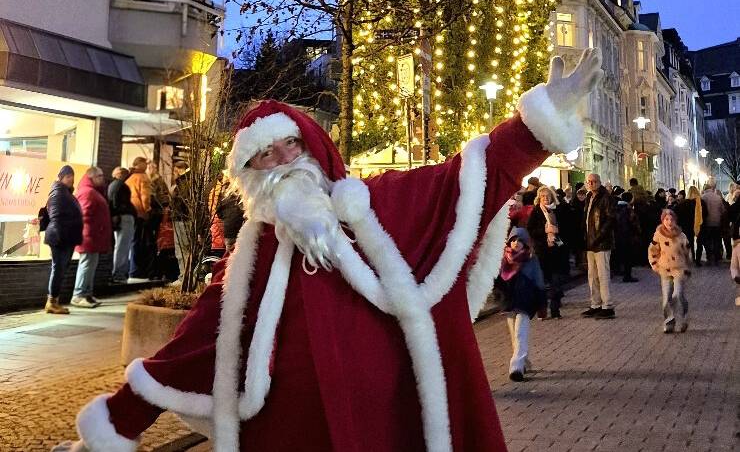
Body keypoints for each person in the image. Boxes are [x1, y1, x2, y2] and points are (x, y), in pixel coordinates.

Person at [61, 48, 603, 452]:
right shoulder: (248, 262)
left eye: (290, 145)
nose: (283, 162)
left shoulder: (380, 206)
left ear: (313, 147)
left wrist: (535, 128)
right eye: (265, 157)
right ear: (248, 178)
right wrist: (109, 429)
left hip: (392, 430)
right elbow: (186, 350)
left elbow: (461, 181)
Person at [492, 227, 546, 381]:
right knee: (514, 337)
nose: (516, 243)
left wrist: (542, 305)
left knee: (520, 333)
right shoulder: (503, 259)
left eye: (520, 240)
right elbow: (496, 282)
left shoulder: (531, 260)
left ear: (526, 243)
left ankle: (516, 367)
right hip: (509, 303)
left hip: (525, 302)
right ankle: (523, 362)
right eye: (513, 240)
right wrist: (499, 297)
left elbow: (539, 283)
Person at [43, 165, 83, 315]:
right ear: (60, 177)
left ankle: (54, 301)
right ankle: (52, 302)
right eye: (68, 176)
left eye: (72, 176)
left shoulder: (64, 192)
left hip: (65, 237)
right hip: (61, 238)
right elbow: (56, 216)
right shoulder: (58, 193)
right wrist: (62, 236)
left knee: (60, 269)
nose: (71, 179)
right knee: (58, 269)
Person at [71, 167, 112, 308]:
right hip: (88, 236)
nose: (102, 178)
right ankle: (78, 295)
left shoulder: (92, 191)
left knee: (90, 265)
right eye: (100, 176)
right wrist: (93, 230)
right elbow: (83, 215)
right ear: (92, 177)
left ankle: (86, 294)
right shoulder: (88, 192)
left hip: (93, 235)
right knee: (87, 265)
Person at [648, 207, 692, 333]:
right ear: (663, 220)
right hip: (665, 269)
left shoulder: (681, 236)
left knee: (678, 294)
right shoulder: (658, 235)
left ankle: (684, 317)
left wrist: (689, 266)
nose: (669, 222)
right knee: (666, 297)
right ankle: (669, 321)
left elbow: (687, 252)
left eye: (671, 219)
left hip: (679, 268)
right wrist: (654, 264)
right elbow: (652, 250)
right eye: (666, 219)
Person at [527, 186, 565, 317]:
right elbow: (530, 230)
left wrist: (558, 231)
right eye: (543, 196)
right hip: (542, 250)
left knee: (556, 282)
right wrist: (544, 231)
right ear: (539, 198)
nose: (546, 198)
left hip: (556, 250)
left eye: (548, 196)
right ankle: (541, 310)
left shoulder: (558, 210)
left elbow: (566, 227)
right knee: (541, 283)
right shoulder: (536, 212)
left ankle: (555, 309)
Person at [582, 171, 615, 318]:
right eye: (589, 182)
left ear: (599, 182)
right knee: (592, 275)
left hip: (602, 243)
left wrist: (599, 236)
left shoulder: (605, 198)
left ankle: (607, 306)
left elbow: (610, 220)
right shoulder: (589, 197)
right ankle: (595, 304)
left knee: (603, 275)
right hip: (590, 242)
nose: (591, 184)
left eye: (594, 181)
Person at [126, 158, 153, 280]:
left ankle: (130, 269)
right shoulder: (143, 177)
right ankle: (136, 270)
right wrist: (147, 210)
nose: (147, 166)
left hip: (131, 212)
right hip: (140, 213)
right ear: (139, 164)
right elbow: (145, 197)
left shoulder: (129, 177)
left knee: (132, 241)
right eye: (145, 163)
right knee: (139, 242)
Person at [108, 167, 136, 283]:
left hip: (120, 218)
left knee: (120, 247)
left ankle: (118, 273)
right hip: (124, 218)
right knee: (123, 247)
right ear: (120, 174)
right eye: (125, 174)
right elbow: (119, 203)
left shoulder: (112, 185)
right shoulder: (121, 186)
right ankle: (119, 274)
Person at [613, 190, 640, 282]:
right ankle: (627, 276)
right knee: (628, 256)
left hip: (617, 236)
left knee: (618, 255)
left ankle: (618, 270)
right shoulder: (628, 209)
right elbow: (632, 224)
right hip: (627, 236)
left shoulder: (615, 207)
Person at [700, 180, 726, 265]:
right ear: (712, 188)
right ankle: (717, 256)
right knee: (716, 240)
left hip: (707, 223)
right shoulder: (718, 197)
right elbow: (722, 210)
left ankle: (709, 256)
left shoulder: (703, 197)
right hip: (717, 222)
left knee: (708, 240)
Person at [676, 186, 702, 263]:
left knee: (685, 242)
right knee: (694, 242)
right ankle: (695, 257)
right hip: (695, 224)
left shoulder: (684, 203)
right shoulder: (699, 202)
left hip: (685, 225)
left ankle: (686, 257)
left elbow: (677, 213)